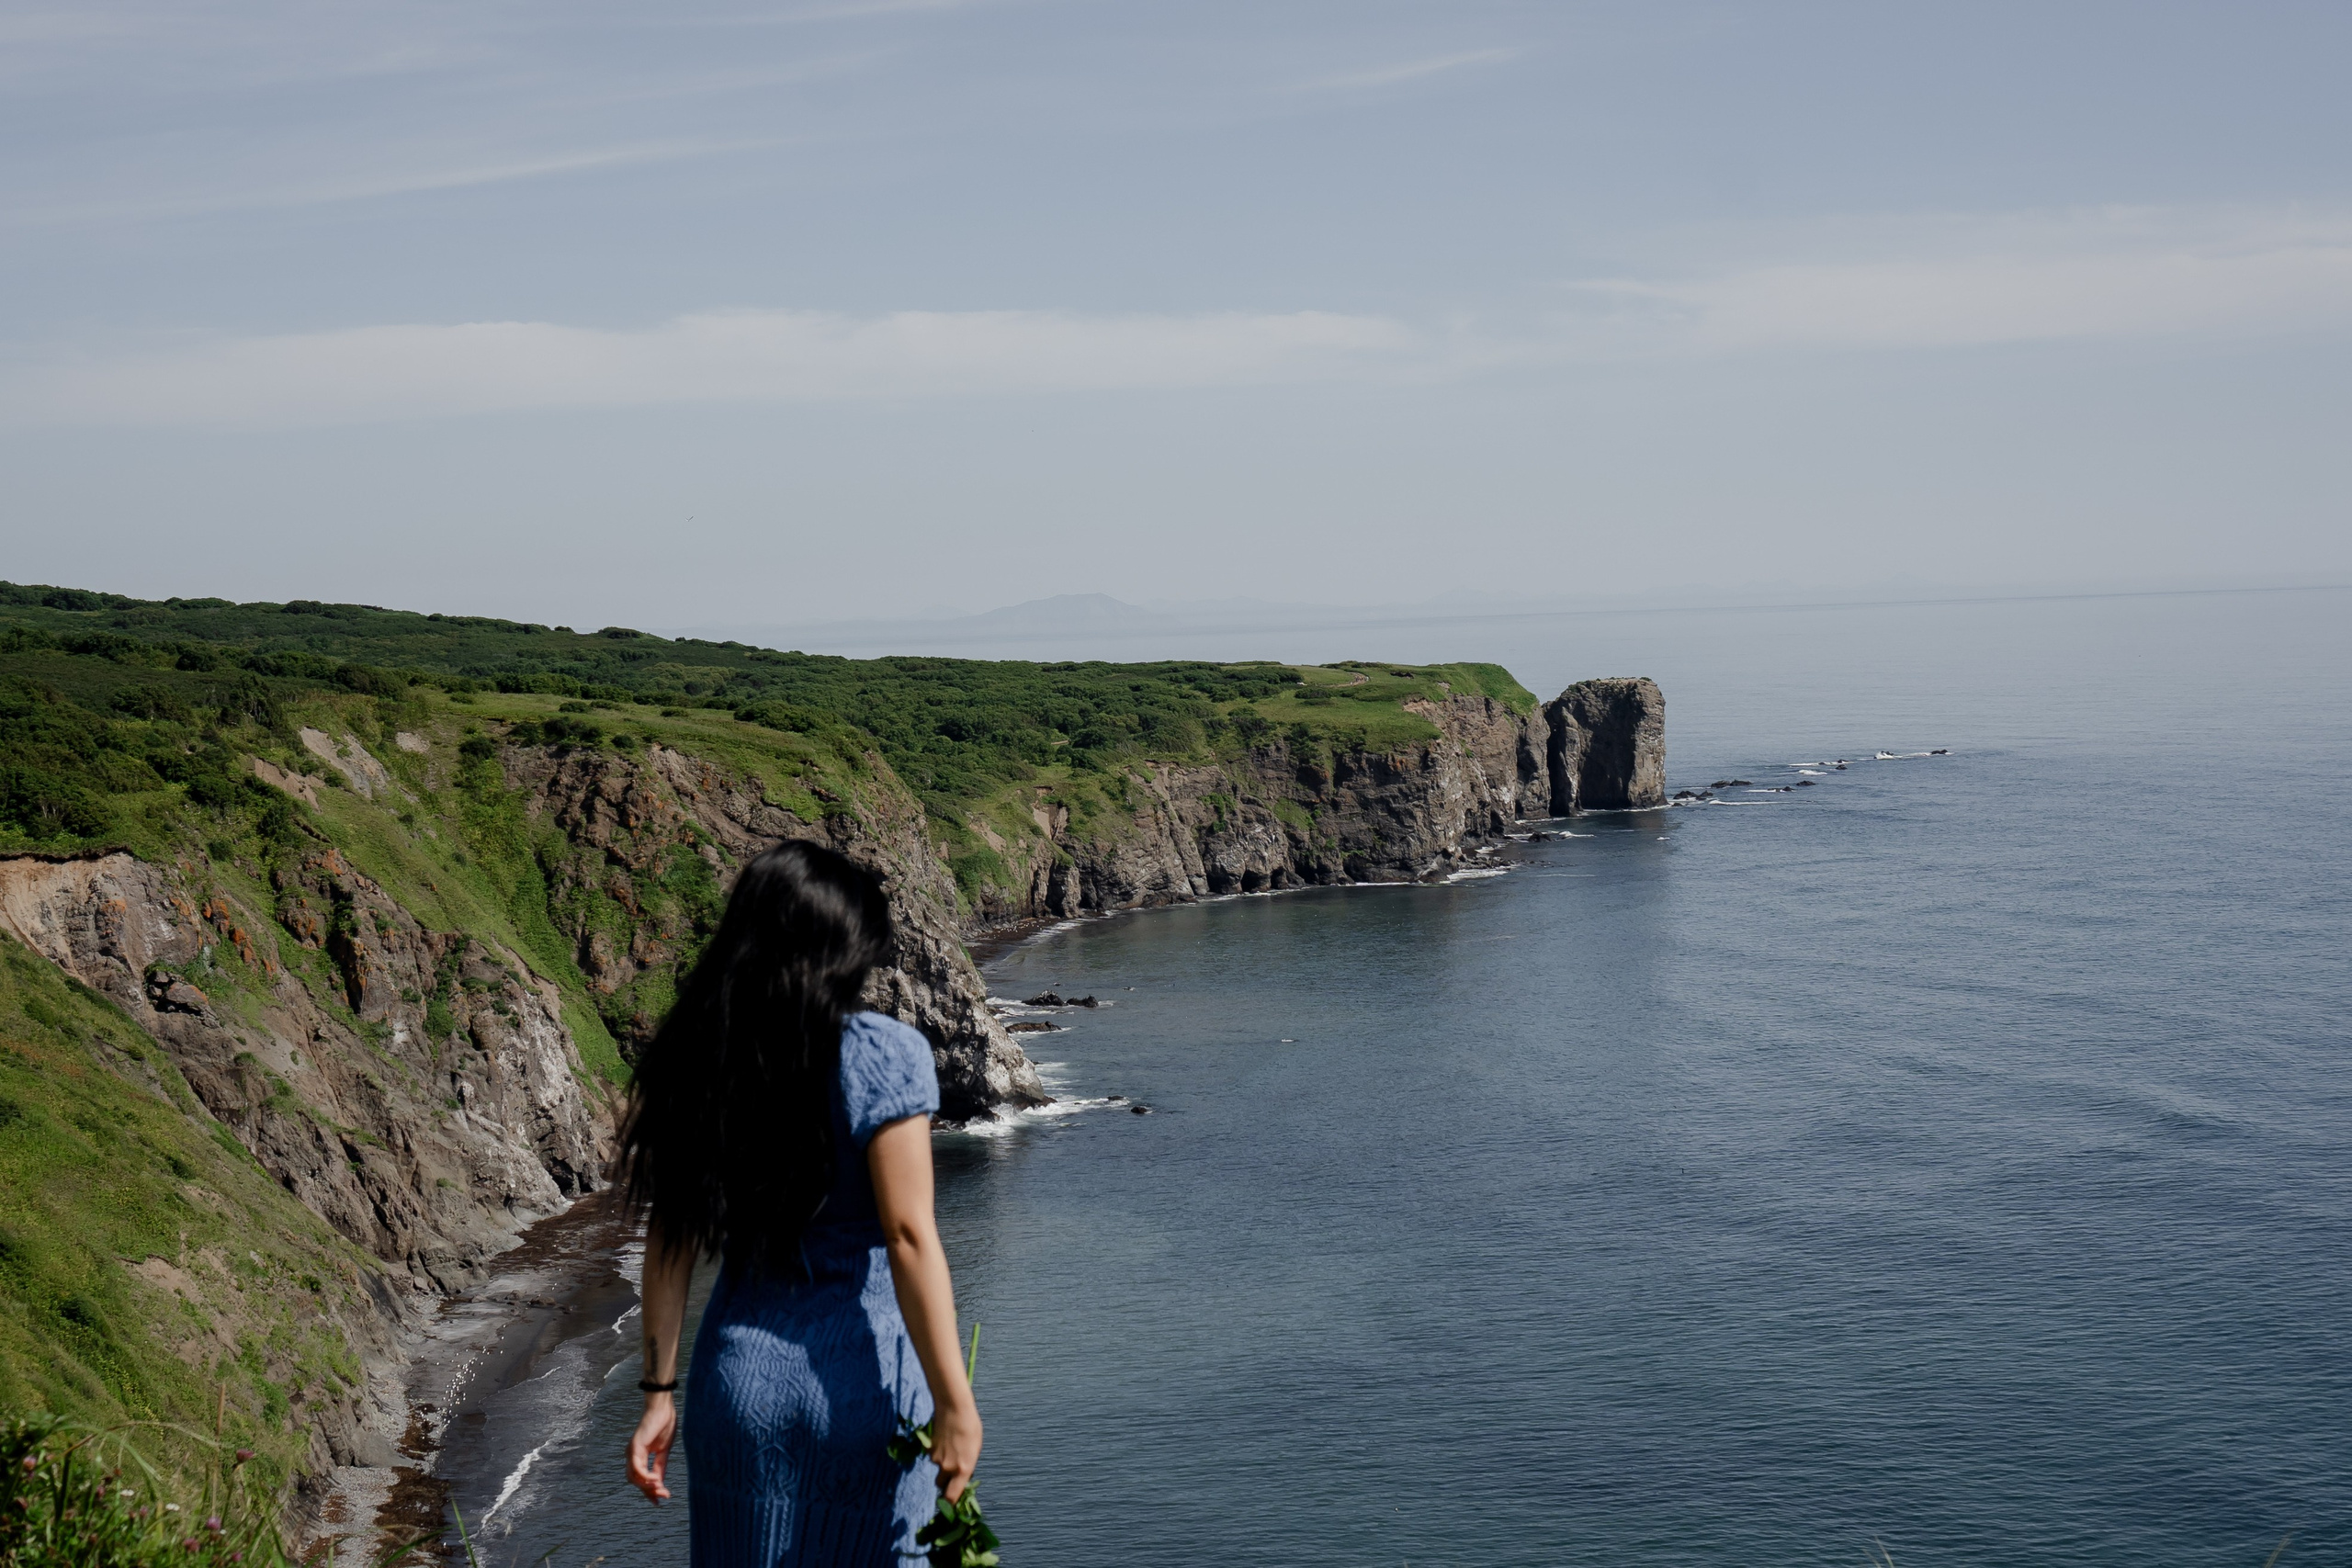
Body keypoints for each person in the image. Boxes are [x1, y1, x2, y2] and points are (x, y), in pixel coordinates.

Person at [619, 840, 981, 1565]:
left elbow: (670, 1241)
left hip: (737, 1397)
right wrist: (954, 1400)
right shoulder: (885, 1053)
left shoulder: (701, 1055)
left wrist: (658, 1394)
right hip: (860, 1392)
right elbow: (908, 1235)